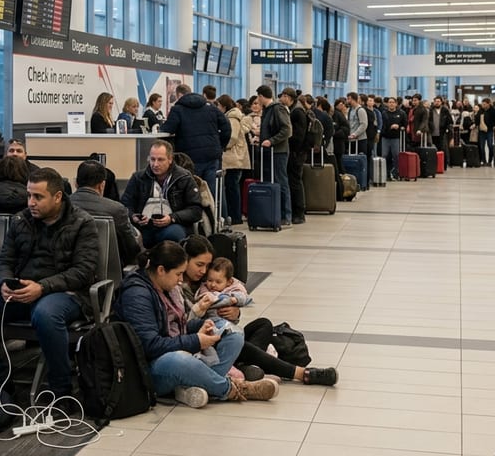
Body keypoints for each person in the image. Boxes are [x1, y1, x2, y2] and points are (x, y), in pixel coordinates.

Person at [0, 167, 99, 398]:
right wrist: (3, 281)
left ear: (57, 197)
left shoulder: (82, 223)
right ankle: (0, 380)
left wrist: (42, 287)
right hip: (22, 290)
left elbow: (83, 272)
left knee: (46, 315)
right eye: (29, 195)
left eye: (38, 197)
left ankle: (61, 390)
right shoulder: (21, 220)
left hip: (65, 293)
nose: (31, 202)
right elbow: (4, 259)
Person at [113, 242, 277, 408]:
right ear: (161, 270)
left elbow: (180, 326)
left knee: (233, 333)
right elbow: (149, 346)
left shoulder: (165, 286)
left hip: (174, 348)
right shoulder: (137, 295)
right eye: (178, 274)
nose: (180, 280)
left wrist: (204, 326)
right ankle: (233, 389)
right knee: (179, 360)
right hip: (149, 370)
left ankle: (200, 386)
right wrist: (196, 341)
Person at [178, 236, 337, 387]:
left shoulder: (204, 282)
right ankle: (302, 374)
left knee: (263, 324)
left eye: (207, 265)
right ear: (185, 260)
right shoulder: (179, 288)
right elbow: (184, 325)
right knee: (240, 343)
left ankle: (246, 365)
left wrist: (235, 313)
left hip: (223, 333)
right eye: (199, 265)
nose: (204, 271)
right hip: (204, 342)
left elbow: (236, 297)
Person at [122, 140, 204, 245]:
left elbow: (195, 210)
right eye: (152, 159)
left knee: (173, 234)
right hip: (144, 226)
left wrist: (172, 217)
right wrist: (134, 217)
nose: (155, 164)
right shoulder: (138, 178)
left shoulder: (184, 178)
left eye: (160, 160)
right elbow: (125, 205)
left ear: (170, 159)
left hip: (174, 225)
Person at [160, 83, 231, 199]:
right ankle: (211, 215)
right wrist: (220, 145)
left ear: (179, 95)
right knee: (210, 191)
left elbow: (167, 129)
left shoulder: (177, 109)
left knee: (192, 190)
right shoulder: (210, 107)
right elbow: (226, 127)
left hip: (189, 156)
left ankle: (195, 215)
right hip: (211, 155)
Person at [71, 159, 142, 266]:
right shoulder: (116, 209)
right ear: (102, 185)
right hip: (110, 270)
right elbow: (131, 248)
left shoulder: (60, 206)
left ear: (76, 183)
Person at [256, 85, 292, 225]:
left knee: (281, 182)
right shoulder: (268, 110)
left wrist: (271, 141)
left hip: (278, 152)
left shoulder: (277, 109)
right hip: (269, 152)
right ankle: (273, 213)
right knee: (272, 181)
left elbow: (287, 130)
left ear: (260, 96)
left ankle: (285, 215)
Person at [217, 94, 252, 225]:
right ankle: (235, 215)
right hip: (236, 157)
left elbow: (232, 137)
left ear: (224, 106)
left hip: (234, 158)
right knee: (233, 186)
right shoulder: (234, 116)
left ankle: (235, 216)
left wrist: (223, 146)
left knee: (232, 187)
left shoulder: (232, 118)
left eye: (219, 106)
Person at [280, 88, 308, 224]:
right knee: (294, 180)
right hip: (297, 152)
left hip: (296, 153)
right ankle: (297, 211)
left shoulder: (297, 112)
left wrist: (290, 146)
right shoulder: (296, 109)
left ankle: (299, 212)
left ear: (289, 97)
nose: (281, 99)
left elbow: (298, 135)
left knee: (295, 181)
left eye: (284, 96)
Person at [380, 97, 406, 180]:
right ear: (387, 104)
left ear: (396, 104)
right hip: (385, 138)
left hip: (396, 138)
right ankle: (384, 174)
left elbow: (405, 124)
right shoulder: (384, 113)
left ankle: (395, 173)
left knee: (396, 155)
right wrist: (389, 128)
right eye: (389, 102)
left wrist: (400, 127)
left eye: (393, 102)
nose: (391, 104)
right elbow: (382, 126)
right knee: (384, 155)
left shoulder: (401, 113)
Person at [477, 98, 495, 164]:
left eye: (484, 104)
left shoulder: (493, 110)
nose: (483, 105)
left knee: (490, 145)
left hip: (489, 131)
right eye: (482, 104)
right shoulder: (481, 110)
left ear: (488, 104)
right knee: (481, 146)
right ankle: (484, 161)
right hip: (482, 131)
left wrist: (494, 128)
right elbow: (477, 119)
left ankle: (490, 160)